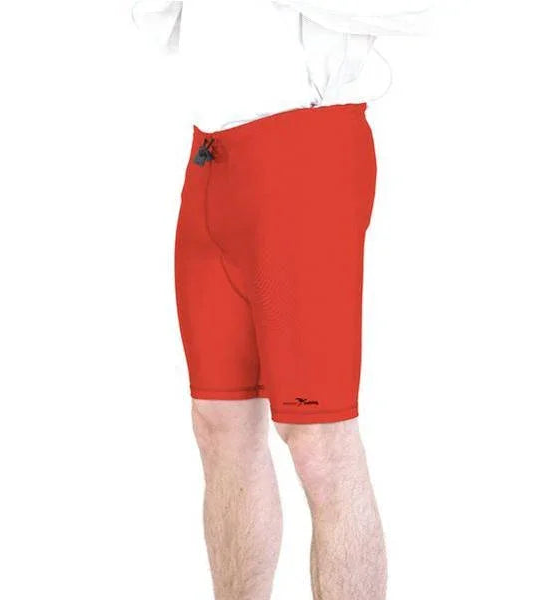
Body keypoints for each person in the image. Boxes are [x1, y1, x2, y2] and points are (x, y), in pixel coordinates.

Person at [133, 1, 426, 598]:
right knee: (219, 423)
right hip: (211, 153)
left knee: (318, 438)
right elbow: (158, 24)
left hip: (304, 152)